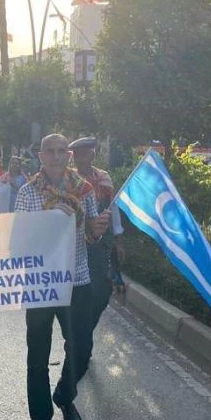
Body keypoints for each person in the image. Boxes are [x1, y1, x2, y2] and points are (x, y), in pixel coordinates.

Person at [16, 133, 110, 420]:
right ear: (40, 155)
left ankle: (64, 395)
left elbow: (90, 236)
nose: (56, 156)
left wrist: (97, 230)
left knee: (81, 347)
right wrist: (49, 219)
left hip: (76, 279)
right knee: (37, 357)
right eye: (50, 151)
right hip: (41, 282)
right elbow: (19, 238)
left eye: (61, 151)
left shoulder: (84, 190)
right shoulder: (28, 193)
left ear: (68, 155)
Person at [68, 136, 126, 337]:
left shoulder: (104, 178)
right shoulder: (68, 180)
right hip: (74, 245)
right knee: (79, 293)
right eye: (77, 155)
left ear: (92, 155)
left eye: (85, 154)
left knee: (102, 293)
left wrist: (119, 240)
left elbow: (113, 209)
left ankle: (84, 330)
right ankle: (77, 335)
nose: (81, 158)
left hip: (100, 243)